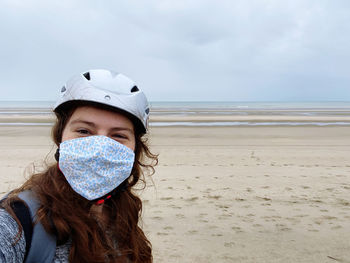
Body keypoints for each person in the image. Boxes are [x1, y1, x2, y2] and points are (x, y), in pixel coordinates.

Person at [0, 69, 158, 262]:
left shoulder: (124, 215)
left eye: (118, 136)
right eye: (84, 131)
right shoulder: (17, 220)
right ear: (61, 138)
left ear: (134, 149)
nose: (100, 148)